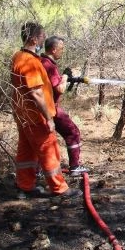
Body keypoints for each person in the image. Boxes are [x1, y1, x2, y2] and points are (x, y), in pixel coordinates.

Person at [10, 22, 80, 198]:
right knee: (49, 149)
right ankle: (59, 188)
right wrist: (48, 117)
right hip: (36, 116)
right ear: (34, 39)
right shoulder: (29, 62)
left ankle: (24, 186)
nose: (44, 40)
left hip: (24, 115)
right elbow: (36, 93)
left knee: (26, 151)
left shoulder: (18, 56)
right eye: (42, 37)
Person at [40, 36, 88, 175]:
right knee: (72, 131)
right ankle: (74, 166)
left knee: (42, 140)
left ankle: (37, 170)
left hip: (44, 107)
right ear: (54, 49)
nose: (62, 51)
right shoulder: (49, 65)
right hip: (50, 108)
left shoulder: (41, 61)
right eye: (61, 49)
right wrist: (66, 76)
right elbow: (59, 89)